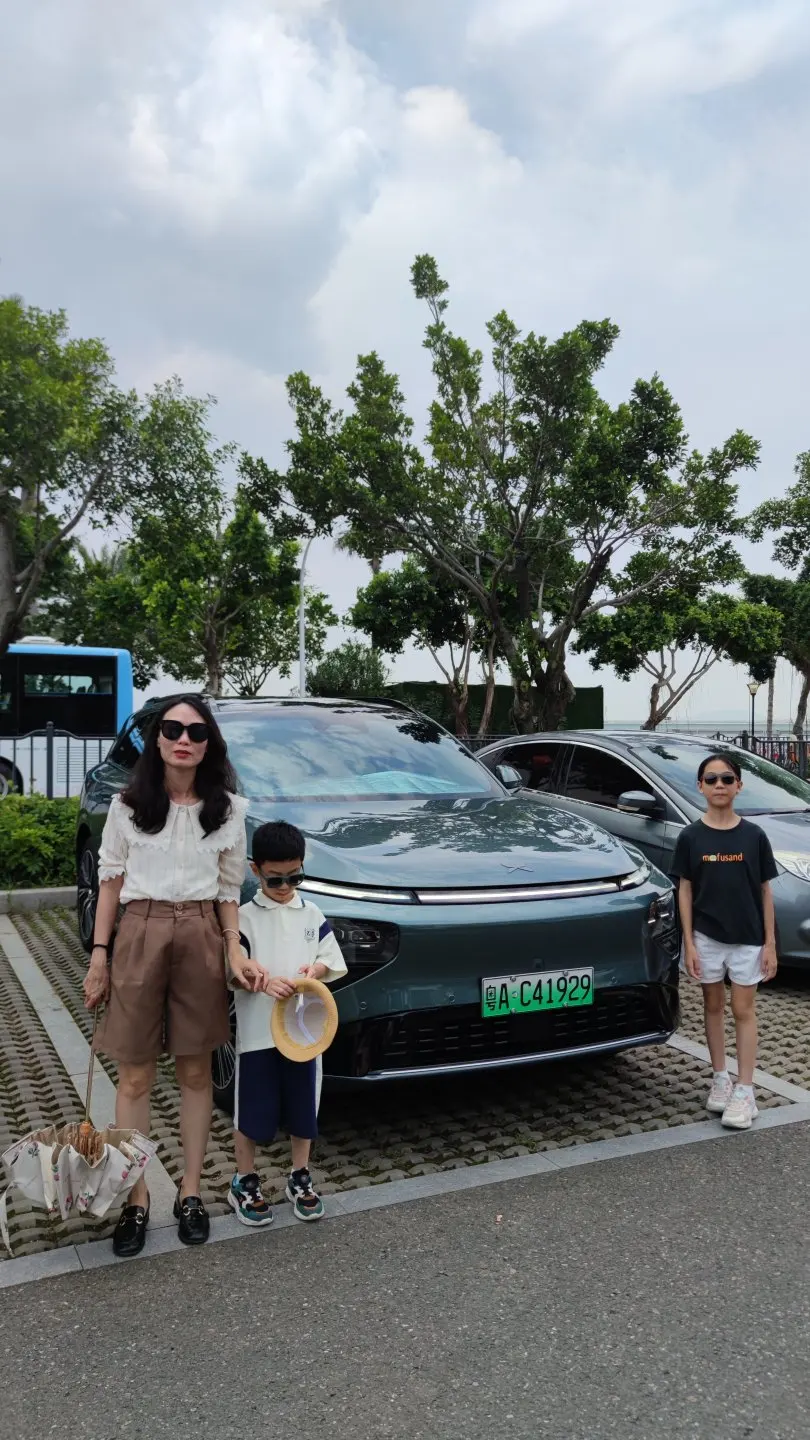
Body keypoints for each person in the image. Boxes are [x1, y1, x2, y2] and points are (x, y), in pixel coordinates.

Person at [83, 695, 261, 1257]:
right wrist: (99, 956)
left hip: (201, 934)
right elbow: (110, 884)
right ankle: (137, 1198)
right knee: (135, 1077)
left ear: (210, 745)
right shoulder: (128, 805)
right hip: (140, 930)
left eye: (196, 731)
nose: (183, 739)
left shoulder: (228, 810)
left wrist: (233, 949)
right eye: (172, 728)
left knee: (195, 1072)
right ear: (157, 738)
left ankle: (190, 1191)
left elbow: (229, 890)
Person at [228, 820, 347, 1227]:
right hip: (258, 1033)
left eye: (294, 877)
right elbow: (232, 972)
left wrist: (315, 969)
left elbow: (329, 957)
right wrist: (261, 980)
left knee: (303, 1107)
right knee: (251, 1110)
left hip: (304, 1032)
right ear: (255, 870)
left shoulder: (311, 912)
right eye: (275, 878)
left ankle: (300, 1175)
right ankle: (244, 1179)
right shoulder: (243, 919)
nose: (285, 886)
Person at [673, 752, 778, 1130]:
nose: (720, 785)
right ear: (700, 786)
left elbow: (765, 891)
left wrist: (770, 943)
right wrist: (689, 942)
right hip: (706, 937)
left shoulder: (754, 836)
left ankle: (745, 1090)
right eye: (712, 779)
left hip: (748, 938)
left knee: (743, 1008)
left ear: (739, 786)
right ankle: (720, 1079)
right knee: (713, 1005)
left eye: (727, 779)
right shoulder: (690, 837)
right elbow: (685, 891)